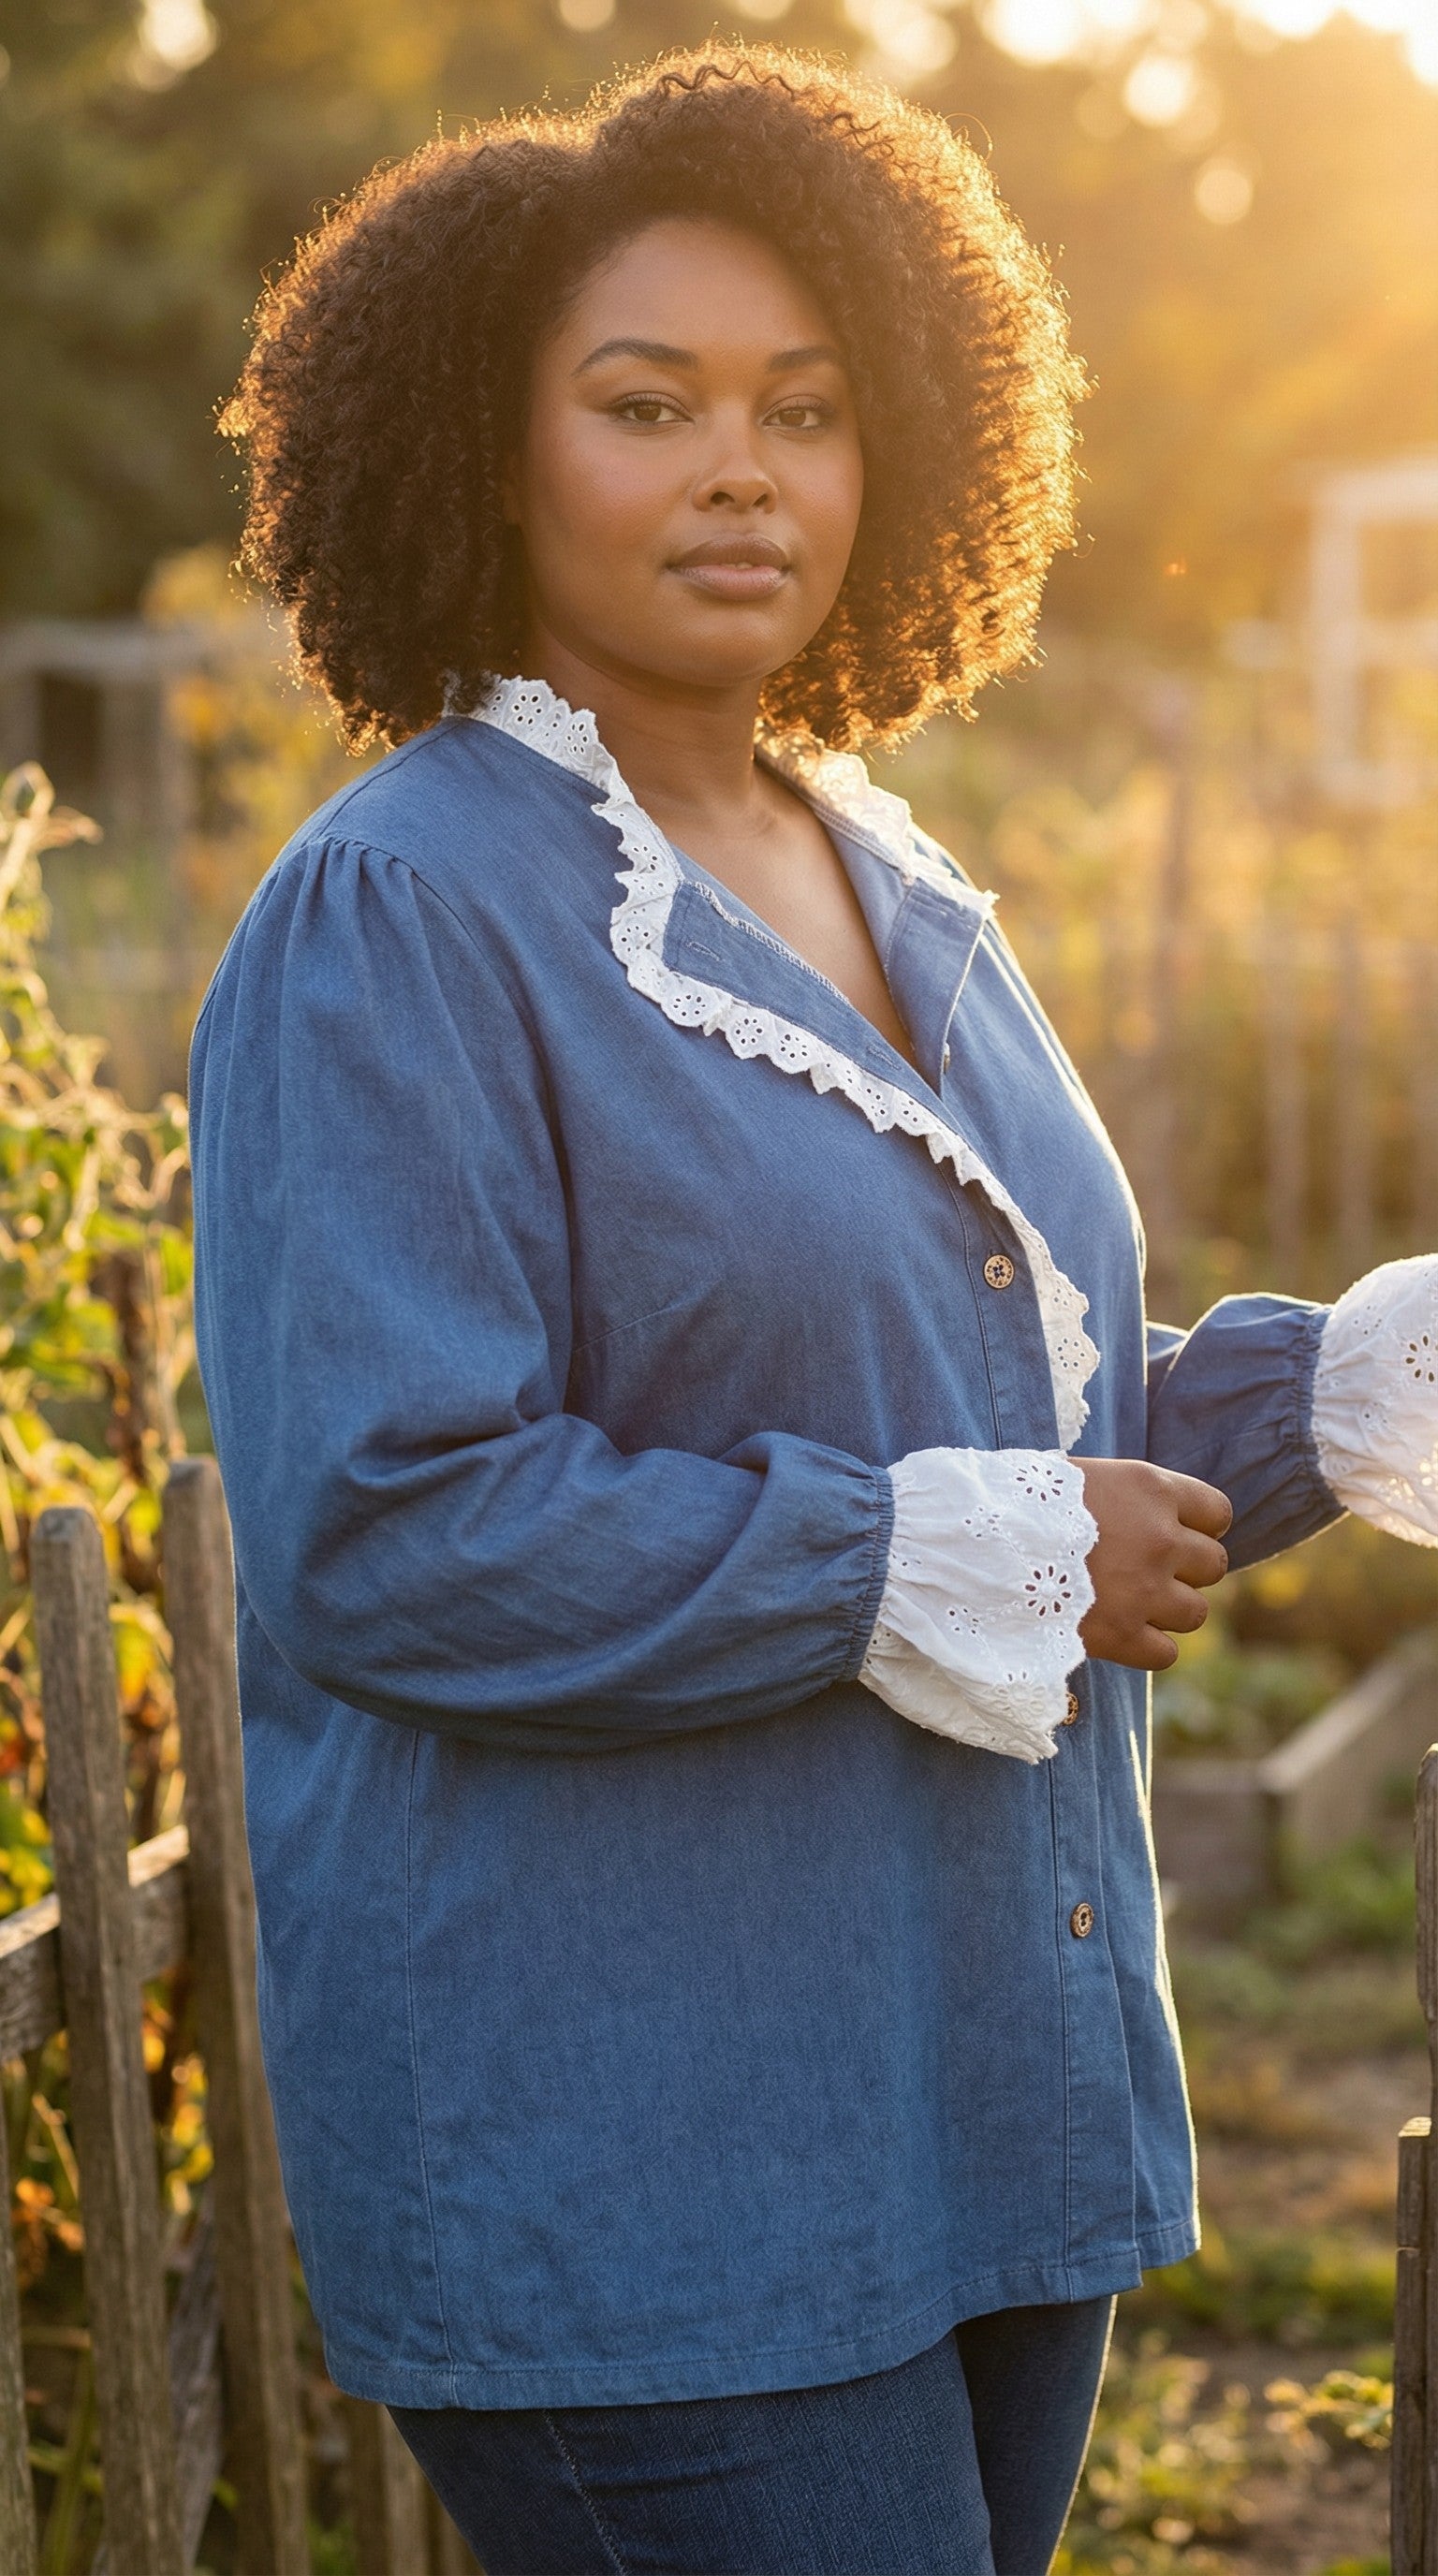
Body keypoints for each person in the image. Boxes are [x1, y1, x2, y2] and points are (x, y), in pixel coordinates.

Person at [195, 47, 1437, 2575]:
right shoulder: (409, 907)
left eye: (807, 408)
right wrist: (930, 1556)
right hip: (649, 2164)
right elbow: (395, 1531)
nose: (740, 470)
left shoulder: (871, 863)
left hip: (972, 2089)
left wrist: (1343, 1384)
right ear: (486, 444)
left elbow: (1028, 1436)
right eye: (645, 407)